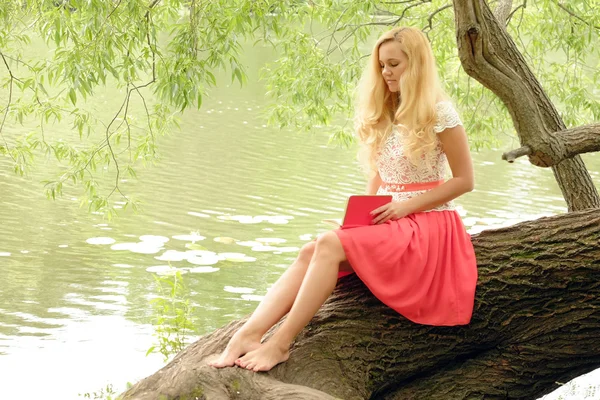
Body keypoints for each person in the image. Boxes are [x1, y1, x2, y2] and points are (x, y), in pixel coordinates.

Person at [209, 26, 478, 372]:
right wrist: (356, 222)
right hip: (391, 220)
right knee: (313, 249)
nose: (386, 73)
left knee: (327, 245)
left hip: (426, 225)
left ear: (418, 64)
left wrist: (404, 206)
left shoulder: (440, 113)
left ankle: (280, 344)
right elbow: (379, 176)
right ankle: (247, 335)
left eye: (394, 64)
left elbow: (465, 180)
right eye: (382, 66)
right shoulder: (391, 110)